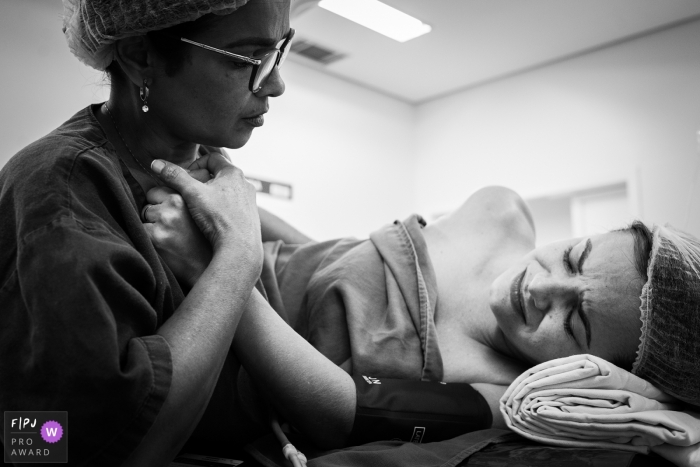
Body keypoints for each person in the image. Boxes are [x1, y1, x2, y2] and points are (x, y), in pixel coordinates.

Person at [146, 182, 677, 447]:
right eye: (573, 257)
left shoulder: (501, 395)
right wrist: (234, 213)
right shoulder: (498, 212)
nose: (542, 288)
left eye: (574, 319)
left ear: (597, 369)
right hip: (203, 249)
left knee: (61, 433)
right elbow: (354, 258)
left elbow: (336, 409)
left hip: (217, 347)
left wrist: (222, 267)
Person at [0, 1, 301, 466]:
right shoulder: (61, 190)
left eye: (278, 52)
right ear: (141, 54)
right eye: (247, 59)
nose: (276, 84)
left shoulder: (210, 172)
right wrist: (236, 259)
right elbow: (76, 450)